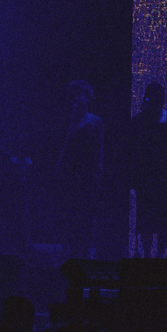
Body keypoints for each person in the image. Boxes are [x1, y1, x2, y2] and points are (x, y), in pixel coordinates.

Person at [129, 83, 167, 259]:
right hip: (146, 180)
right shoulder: (139, 122)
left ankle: (160, 253)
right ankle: (147, 254)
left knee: (165, 218)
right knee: (145, 218)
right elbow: (132, 152)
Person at [57, 80, 108, 257]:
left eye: (80, 95)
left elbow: (99, 150)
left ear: (87, 97)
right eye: (73, 95)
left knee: (87, 212)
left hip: (88, 174)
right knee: (69, 211)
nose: (77, 99)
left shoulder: (95, 121)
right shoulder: (68, 122)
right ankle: (70, 247)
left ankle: (88, 248)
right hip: (70, 174)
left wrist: (98, 172)